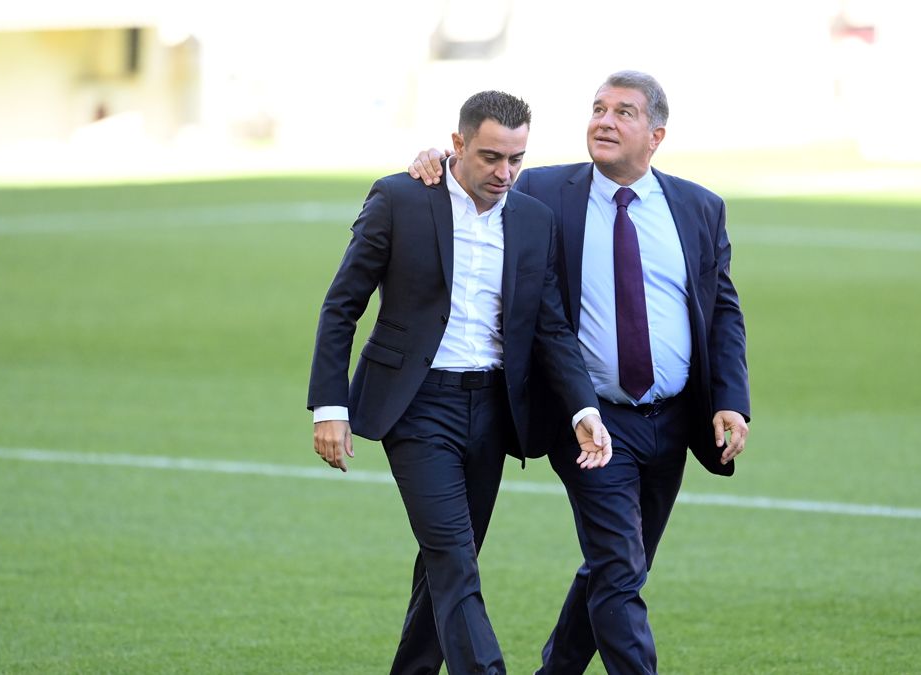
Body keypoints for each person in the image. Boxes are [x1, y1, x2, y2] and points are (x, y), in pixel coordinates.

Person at [408, 71, 751, 674]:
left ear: (656, 134)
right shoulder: (541, 191)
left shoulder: (699, 207)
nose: (605, 120)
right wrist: (436, 158)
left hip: (671, 420)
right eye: (598, 108)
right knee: (619, 569)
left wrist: (730, 399)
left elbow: (721, 309)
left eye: (624, 112)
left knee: (619, 564)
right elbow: (474, 172)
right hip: (588, 419)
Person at [308, 90, 613, 675]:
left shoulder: (533, 218)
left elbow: (550, 326)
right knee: (455, 562)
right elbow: (342, 304)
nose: (505, 173)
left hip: (493, 409)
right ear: (456, 145)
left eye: (516, 159)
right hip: (417, 407)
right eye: (491, 157)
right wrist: (329, 405)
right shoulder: (400, 198)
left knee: (447, 561)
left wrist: (583, 408)